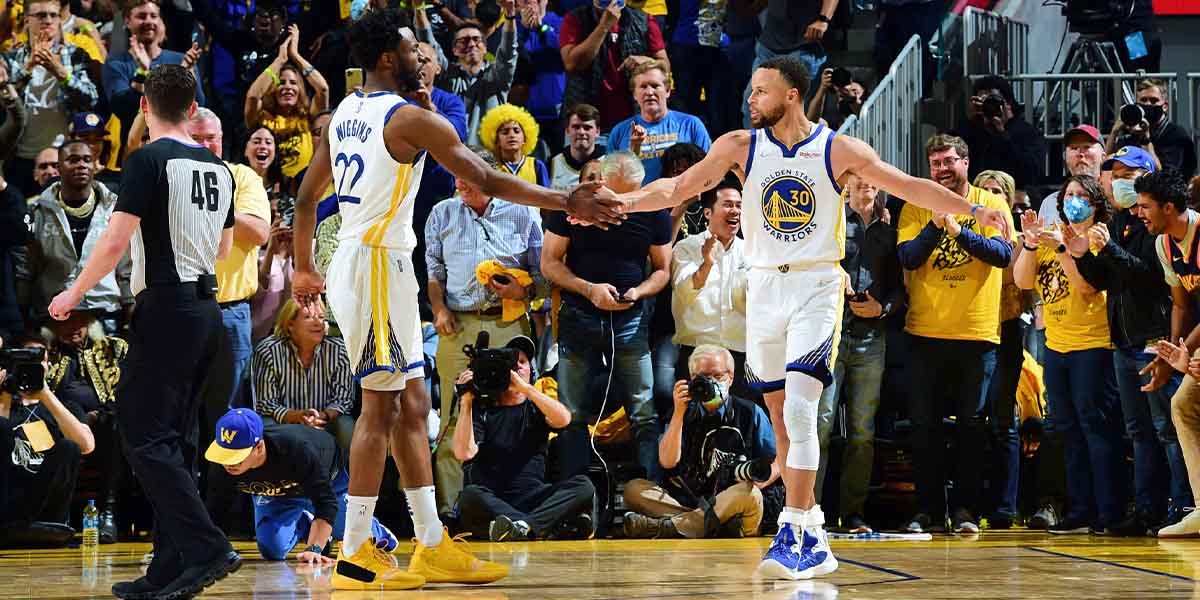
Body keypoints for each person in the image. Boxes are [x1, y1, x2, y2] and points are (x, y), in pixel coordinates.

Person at [609, 56, 1012, 580]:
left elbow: (910, 185)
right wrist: (620, 202)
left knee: (801, 408)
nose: (750, 99)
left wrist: (974, 211)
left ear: (792, 95)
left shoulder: (838, 148)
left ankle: (798, 528)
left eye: (760, 91)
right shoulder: (738, 147)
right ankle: (815, 524)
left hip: (815, 283)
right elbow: (675, 190)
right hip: (763, 284)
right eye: (750, 90)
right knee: (780, 417)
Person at [289, 8, 620, 591]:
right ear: (391, 57)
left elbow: (306, 198)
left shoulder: (346, 111)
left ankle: (432, 543)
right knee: (379, 409)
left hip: (374, 263)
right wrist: (570, 200)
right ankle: (357, 549)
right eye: (416, 47)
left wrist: (304, 266)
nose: (427, 54)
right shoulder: (412, 119)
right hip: (374, 265)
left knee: (414, 405)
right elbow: (488, 180)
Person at [46, 64, 241, 600]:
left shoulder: (147, 159)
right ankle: (168, 567)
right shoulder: (219, 169)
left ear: (144, 108)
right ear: (194, 107)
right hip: (208, 312)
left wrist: (72, 294)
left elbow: (113, 242)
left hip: (167, 309)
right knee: (174, 440)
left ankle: (205, 548)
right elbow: (224, 251)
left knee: (141, 433)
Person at [896, 135, 1014, 535]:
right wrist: (935, 225)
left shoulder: (991, 203)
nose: (942, 170)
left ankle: (965, 510)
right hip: (924, 333)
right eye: (935, 163)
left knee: (971, 427)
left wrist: (960, 232)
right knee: (924, 426)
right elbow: (909, 257)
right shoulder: (917, 202)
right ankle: (927, 509)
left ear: (966, 162)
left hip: (976, 333)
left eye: (949, 161)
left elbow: (1002, 256)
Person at [1074, 148, 1192, 535]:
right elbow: (1105, 280)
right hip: (1125, 340)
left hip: (1156, 337)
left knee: (1169, 428)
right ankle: (1147, 511)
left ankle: (1182, 507)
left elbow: (1146, 279)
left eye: (1128, 173)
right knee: (1140, 432)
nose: (1120, 181)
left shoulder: (1157, 229)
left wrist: (1107, 248)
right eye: (1115, 173)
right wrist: (1083, 252)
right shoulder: (1125, 221)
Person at [425, 146, 546, 516]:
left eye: (467, 175)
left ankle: (506, 507)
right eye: (456, 175)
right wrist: (440, 308)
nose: (459, 183)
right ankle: (451, 510)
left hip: (509, 326)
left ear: (491, 178)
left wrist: (522, 292)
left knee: (513, 412)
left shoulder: (525, 211)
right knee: (452, 417)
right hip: (457, 325)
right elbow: (434, 272)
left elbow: (544, 275)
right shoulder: (441, 213)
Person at [542, 152, 672, 480]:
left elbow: (661, 270)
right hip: (579, 315)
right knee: (572, 412)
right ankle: (577, 491)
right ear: (601, 181)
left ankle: (649, 491)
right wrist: (589, 289)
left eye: (633, 192)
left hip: (630, 319)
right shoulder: (573, 206)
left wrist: (639, 291)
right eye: (619, 194)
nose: (626, 202)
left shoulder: (653, 209)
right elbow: (550, 263)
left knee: (643, 411)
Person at [1015, 174, 1125, 535]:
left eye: (1081, 195)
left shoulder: (1097, 239)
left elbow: (1087, 285)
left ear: (1095, 205)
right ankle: (1079, 509)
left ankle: (1108, 511)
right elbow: (1023, 282)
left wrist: (1063, 249)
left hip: (1093, 343)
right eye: (1069, 195)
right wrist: (1031, 245)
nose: (1073, 200)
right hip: (1056, 344)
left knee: (1095, 426)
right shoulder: (1051, 236)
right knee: (1066, 429)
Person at [814, 172, 903, 535]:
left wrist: (881, 309)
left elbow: (901, 289)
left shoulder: (889, 233)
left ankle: (853, 513)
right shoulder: (831, 222)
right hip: (830, 335)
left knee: (862, 432)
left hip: (871, 339)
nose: (865, 183)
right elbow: (814, 265)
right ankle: (810, 509)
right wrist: (836, 275)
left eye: (871, 178)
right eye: (858, 177)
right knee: (820, 425)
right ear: (846, 184)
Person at [204, 408, 399, 563]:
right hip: (279, 492)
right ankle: (306, 522)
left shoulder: (297, 450)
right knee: (272, 549)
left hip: (327, 482)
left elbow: (326, 502)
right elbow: (215, 509)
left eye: (237, 456)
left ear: (259, 447)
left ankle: (371, 527)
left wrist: (314, 549)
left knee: (352, 539)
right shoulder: (222, 466)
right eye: (225, 454)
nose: (229, 463)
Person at [622, 344, 775, 539]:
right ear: (692, 380)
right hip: (693, 501)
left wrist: (758, 481)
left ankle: (666, 527)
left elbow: (777, 460)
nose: (712, 383)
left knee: (749, 494)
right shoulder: (683, 411)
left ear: (731, 378)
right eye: (704, 377)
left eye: (718, 376)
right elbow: (668, 461)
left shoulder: (750, 412)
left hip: (733, 503)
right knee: (633, 489)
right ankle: (705, 525)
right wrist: (678, 414)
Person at [453, 335, 596, 541]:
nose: (518, 367)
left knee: (584, 485)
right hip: (492, 499)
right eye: (511, 362)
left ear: (531, 370)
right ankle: (536, 526)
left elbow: (563, 419)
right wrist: (466, 402)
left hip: (534, 497)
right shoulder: (482, 409)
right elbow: (463, 452)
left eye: (523, 362)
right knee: (470, 495)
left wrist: (525, 389)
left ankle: (522, 527)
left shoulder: (536, 406)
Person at [187, 107, 272, 411]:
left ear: (222, 140)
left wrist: (213, 204)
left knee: (229, 409)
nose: (204, 146)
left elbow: (260, 233)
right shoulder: (168, 177)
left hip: (231, 312)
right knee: (185, 406)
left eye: (211, 138)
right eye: (195, 139)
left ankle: (227, 460)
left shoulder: (242, 177)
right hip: (183, 307)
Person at [973, 169, 1031, 530]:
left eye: (998, 192)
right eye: (985, 191)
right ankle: (977, 501)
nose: (992, 196)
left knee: (1002, 421)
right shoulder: (971, 232)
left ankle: (1005, 507)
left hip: (1007, 330)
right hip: (974, 330)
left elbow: (1009, 276)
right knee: (975, 421)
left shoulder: (1023, 239)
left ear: (1008, 200)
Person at [0, 334, 95, 548]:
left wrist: (45, 394)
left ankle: (50, 524)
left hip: (47, 498)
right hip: (9, 496)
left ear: (49, 366)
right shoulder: (3, 401)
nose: (31, 367)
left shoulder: (65, 406)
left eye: (38, 360)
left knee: (69, 446)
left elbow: (87, 446)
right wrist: (5, 394)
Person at [1, 0, 101, 197]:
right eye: (40, 15)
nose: (48, 20)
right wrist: (28, 69)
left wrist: (60, 72)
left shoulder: (76, 56)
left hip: (63, 157)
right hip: (20, 158)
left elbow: (91, 100)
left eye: (53, 15)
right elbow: (4, 102)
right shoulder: (10, 59)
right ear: (27, 21)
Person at [27, 140, 131, 324]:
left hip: (106, 312)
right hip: (54, 315)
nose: (81, 165)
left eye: (87, 159)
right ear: (59, 168)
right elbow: (29, 270)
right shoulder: (36, 210)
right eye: (73, 160)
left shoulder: (116, 209)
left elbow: (126, 268)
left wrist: (130, 310)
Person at [671, 180, 750, 398]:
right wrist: (707, 263)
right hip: (696, 354)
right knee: (693, 421)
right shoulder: (686, 248)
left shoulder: (753, 252)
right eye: (727, 204)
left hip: (740, 355)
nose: (734, 210)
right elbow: (685, 292)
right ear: (707, 213)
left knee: (740, 422)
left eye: (739, 205)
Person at [253, 299, 357, 450]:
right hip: (284, 424)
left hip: (325, 422)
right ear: (290, 324)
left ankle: (346, 473)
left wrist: (321, 416)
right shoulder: (268, 351)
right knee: (265, 426)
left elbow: (344, 400)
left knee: (347, 426)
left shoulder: (339, 350)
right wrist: (299, 416)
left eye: (321, 317)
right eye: (309, 317)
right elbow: (266, 404)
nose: (318, 323)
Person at [102, 0, 204, 145]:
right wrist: (143, 72)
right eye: (142, 16)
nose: (149, 21)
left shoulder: (180, 59)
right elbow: (124, 108)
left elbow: (199, 105)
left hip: (178, 145)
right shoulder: (116, 64)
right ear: (127, 21)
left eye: (153, 16)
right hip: (135, 147)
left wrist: (186, 74)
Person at [559, 0, 669, 130]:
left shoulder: (643, 20)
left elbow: (665, 66)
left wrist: (647, 62)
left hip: (633, 121)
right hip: (588, 123)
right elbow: (572, 64)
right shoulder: (575, 19)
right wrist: (603, 26)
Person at [244, 24, 330, 182]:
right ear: (273, 90)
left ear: (300, 90)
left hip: (301, 189)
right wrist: (280, 60)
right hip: (270, 188)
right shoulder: (261, 119)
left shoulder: (308, 118)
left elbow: (323, 89)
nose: (287, 87)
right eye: (281, 83)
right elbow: (253, 97)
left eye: (293, 83)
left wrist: (295, 55)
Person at [608, 60, 711, 184]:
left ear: (667, 91)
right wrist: (633, 148)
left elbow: (708, 170)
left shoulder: (692, 125)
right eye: (643, 86)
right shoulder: (619, 132)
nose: (649, 92)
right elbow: (612, 179)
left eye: (655, 86)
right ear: (634, 94)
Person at [434, 16, 519, 146]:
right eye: (464, 41)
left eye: (476, 39)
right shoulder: (448, 76)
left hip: (491, 155)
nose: (471, 44)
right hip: (455, 153)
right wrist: (419, 9)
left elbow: (508, 52)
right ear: (454, 50)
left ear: (485, 48)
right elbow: (429, 44)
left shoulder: (497, 77)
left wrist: (510, 16)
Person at [952, 75, 1046, 190]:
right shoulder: (971, 130)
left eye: (993, 101)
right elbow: (948, 154)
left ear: (1008, 103)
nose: (989, 107)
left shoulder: (1027, 133)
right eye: (984, 102)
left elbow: (1032, 173)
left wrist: (1002, 134)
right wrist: (970, 122)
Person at [1105, 79, 1196, 179]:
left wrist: (1145, 139)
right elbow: (1106, 165)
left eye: (1154, 101)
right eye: (1143, 100)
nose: (1148, 104)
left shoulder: (1176, 135)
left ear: (1165, 106)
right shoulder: (1134, 131)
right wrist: (1115, 131)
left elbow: (1162, 176)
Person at [1039, 125, 1105, 227]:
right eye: (1074, 148)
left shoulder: (1113, 198)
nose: (1080, 154)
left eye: (1087, 147)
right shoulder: (1050, 202)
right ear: (1065, 157)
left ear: (1103, 157)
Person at [479, 103, 550, 188]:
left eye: (516, 131)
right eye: (505, 132)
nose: (512, 135)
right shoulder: (491, 167)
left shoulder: (536, 166)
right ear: (496, 140)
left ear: (525, 138)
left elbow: (546, 196)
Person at [549, 103, 603, 191]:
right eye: (576, 127)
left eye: (587, 128)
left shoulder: (609, 162)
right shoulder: (552, 163)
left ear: (597, 131)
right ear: (567, 130)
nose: (581, 132)